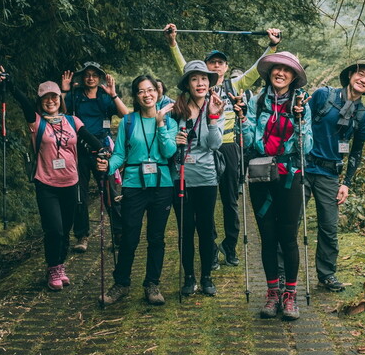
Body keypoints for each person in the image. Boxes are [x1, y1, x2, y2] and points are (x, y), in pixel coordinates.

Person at [163, 23, 282, 270]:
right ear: (206, 68)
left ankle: (230, 246)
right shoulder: (197, 87)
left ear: (226, 68)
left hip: (228, 147)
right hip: (203, 150)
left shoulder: (233, 86)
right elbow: (183, 66)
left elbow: (254, 71)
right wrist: (173, 43)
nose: (217, 65)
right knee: (208, 201)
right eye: (212, 62)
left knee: (230, 200)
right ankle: (211, 247)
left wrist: (272, 46)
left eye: (221, 63)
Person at [0, 67, 102, 291]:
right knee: (54, 229)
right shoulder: (36, 122)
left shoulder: (73, 121)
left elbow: (92, 141)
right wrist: (11, 84)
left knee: (66, 228)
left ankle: (60, 265)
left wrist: (106, 152)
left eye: (54, 96)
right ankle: (53, 268)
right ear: (40, 101)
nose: (50, 101)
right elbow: (24, 102)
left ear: (59, 99)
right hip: (46, 184)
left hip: (70, 183)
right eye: (45, 98)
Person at [240, 51, 312, 321]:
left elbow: (308, 146)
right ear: (269, 73)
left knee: (289, 236)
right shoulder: (257, 101)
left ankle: (290, 295)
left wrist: (301, 119)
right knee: (267, 236)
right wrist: (242, 121)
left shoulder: (302, 103)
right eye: (276, 69)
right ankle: (272, 293)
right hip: (261, 173)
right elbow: (247, 142)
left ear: (294, 76)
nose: (280, 73)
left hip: (290, 174)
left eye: (286, 70)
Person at [96, 75, 178, 306]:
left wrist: (161, 123)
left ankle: (152, 284)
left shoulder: (169, 122)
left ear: (158, 92)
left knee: (156, 237)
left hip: (162, 185)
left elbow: (169, 151)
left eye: (151, 89)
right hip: (133, 184)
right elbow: (120, 154)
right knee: (130, 236)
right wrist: (107, 166)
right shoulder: (128, 122)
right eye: (141, 91)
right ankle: (121, 283)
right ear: (136, 96)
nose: (147, 94)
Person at [305, 59, 365, 292]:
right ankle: (280, 275)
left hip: (329, 174)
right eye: (361, 74)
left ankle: (327, 274)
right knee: (291, 223)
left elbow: (356, 152)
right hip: (304, 166)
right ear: (350, 74)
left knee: (329, 227)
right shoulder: (323, 96)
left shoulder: (363, 116)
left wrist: (346, 183)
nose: (364, 80)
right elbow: (300, 123)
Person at [61, 62, 129, 253]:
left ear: (99, 77)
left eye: (94, 75)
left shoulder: (105, 96)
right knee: (79, 194)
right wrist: (64, 91)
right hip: (79, 149)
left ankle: (118, 233)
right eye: (87, 75)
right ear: (82, 78)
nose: (90, 78)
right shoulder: (75, 95)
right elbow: (61, 114)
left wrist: (113, 93)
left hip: (102, 149)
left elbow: (125, 115)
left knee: (110, 192)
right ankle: (82, 235)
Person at [170, 61, 225, 296]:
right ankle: (189, 277)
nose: (200, 83)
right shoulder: (175, 110)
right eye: (194, 79)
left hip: (206, 177)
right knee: (185, 229)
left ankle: (206, 277)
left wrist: (213, 118)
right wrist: (175, 141)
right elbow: (165, 143)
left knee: (205, 228)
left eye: (204, 78)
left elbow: (214, 144)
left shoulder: (215, 107)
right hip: (180, 178)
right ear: (187, 84)